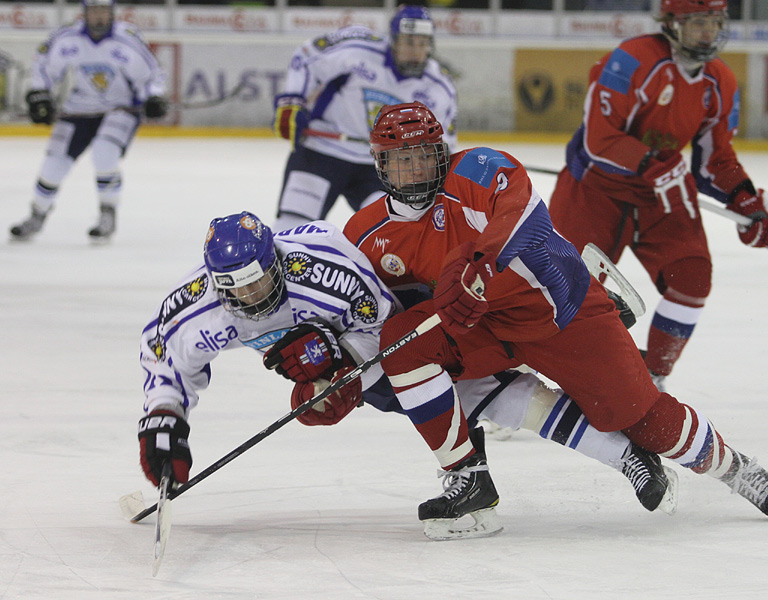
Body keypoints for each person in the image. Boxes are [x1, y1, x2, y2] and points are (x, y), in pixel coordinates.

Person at [343, 101, 768, 540]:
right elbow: (358, 306)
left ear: (442, 152)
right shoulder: (364, 234)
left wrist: (479, 263)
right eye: (402, 162)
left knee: (645, 420)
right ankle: (467, 477)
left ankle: (736, 469)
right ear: (381, 165)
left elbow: (524, 214)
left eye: (424, 156)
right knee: (400, 344)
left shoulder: (478, 168)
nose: (417, 171)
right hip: (484, 327)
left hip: (562, 310)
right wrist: (335, 371)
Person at [136, 211, 677, 536]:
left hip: (407, 298)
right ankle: (487, 470)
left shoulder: (323, 272)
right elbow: (166, 359)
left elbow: (388, 335)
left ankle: (572, 290)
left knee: (461, 386)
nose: (251, 299)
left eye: (259, 283)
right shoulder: (196, 308)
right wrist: (164, 418)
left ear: (276, 261)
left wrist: (333, 355)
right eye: (237, 291)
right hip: (368, 337)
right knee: (433, 398)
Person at [546, 0, 768, 391]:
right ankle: (514, 380)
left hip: (663, 193)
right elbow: (598, 138)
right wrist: (650, 164)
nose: (708, 32)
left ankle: (651, 379)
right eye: (697, 23)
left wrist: (746, 200)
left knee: (692, 276)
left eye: (714, 22)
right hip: (594, 190)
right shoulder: (632, 61)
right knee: (551, 291)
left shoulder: (720, 81)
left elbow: (715, 160)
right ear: (672, 24)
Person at [271, 4, 457, 232]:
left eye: (422, 43)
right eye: (409, 42)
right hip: (322, 152)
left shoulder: (439, 87)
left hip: (382, 169)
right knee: (292, 227)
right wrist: (292, 101)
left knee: (394, 235)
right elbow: (307, 56)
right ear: (394, 41)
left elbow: (444, 146)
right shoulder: (358, 50)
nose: (416, 51)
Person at [8, 0, 167, 243]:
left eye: (104, 10)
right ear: (84, 12)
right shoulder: (67, 38)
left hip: (119, 108)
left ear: (112, 12)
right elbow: (42, 66)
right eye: (94, 10)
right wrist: (39, 95)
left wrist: (154, 96)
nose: (99, 16)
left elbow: (152, 74)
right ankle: (37, 215)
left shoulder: (127, 39)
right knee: (53, 163)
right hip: (78, 109)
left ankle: (107, 214)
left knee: (105, 154)